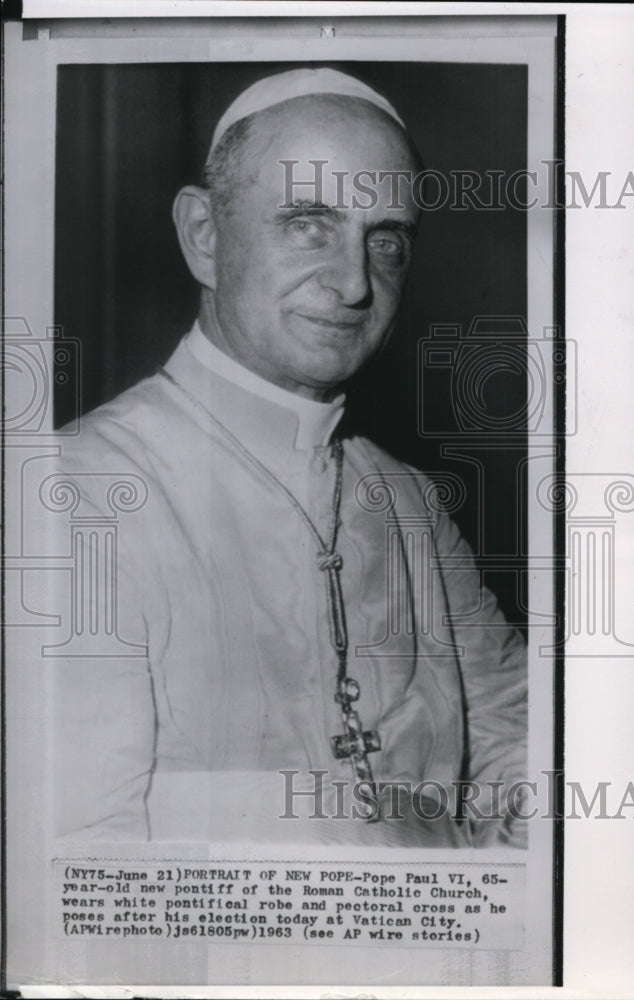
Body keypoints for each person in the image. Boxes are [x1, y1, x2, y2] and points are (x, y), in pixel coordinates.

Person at [51, 68, 527, 847]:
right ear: (204, 235)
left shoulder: (407, 498)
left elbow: (512, 727)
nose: (352, 284)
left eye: (386, 240)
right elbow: (82, 862)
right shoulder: (75, 493)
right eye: (308, 222)